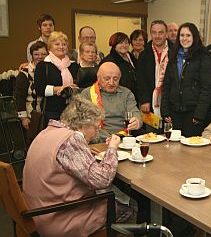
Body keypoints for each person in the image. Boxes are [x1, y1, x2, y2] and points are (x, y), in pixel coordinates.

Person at [23, 95, 134, 236]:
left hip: (37, 211)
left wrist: (85, 152)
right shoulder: (70, 140)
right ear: (82, 125)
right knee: (130, 206)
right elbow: (102, 180)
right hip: (60, 219)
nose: (95, 134)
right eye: (95, 127)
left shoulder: (48, 131)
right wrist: (112, 149)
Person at [161, 22, 211, 137]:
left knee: (190, 149)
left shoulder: (204, 56)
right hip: (174, 111)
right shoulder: (173, 55)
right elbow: (167, 85)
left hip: (193, 113)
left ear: (194, 37)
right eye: (182, 35)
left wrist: (199, 114)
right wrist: (165, 111)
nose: (184, 39)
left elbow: (207, 88)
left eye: (188, 35)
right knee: (174, 147)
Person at [81, 62, 142, 141]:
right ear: (98, 78)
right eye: (107, 79)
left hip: (123, 138)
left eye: (115, 79)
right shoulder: (87, 94)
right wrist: (108, 137)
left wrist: (137, 121)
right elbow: (85, 123)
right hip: (98, 139)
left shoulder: (126, 93)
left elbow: (135, 112)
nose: (111, 82)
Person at [34, 31, 79, 126]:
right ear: (50, 47)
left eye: (64, 44)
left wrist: (74, 88)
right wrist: (60, 88)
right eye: (57, 44)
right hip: (51, 112)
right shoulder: (43, 65)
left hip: (72, 110)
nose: (61, 47)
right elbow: (39, 89)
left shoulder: (74, 66)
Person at [136, 20, 173, 119]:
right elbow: (140, 79)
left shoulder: (175, 52)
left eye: (160, 32)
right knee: (152, 133)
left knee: (171, 133)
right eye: (154, 33)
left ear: (166, 34)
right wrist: (144, 100)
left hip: (171, 102)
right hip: (150, 104)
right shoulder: (144, 54)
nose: (157, 36)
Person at [15, 41, 48, 136]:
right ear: (32, 56)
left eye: (43, 54)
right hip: (31, 115)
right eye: (36, 54)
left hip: (46, 115)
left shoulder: (49, 70)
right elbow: (19, 97)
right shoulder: (24, 73)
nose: (40, 57)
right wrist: (23, 118)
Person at [100, 32, 137, 99]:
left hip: (132, 96)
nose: (124, 45)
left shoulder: (131, 57)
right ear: (114, 45)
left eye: (126, 43)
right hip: (117, 97)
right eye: (120, 43)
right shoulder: (109, 61)